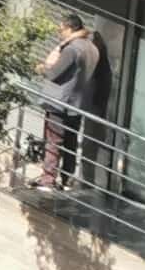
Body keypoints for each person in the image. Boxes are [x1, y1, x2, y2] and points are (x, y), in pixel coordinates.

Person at [37, 14, 100, 190]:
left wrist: (42, 68)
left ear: (70, 28)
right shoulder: (92, 48)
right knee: (71, 141)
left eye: (61, 30)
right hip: (77, 104)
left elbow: (54, 73)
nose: (59, 34)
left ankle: (48, 180)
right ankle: (67, 180)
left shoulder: (72, 49)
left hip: (59, 102)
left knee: (53, 140)